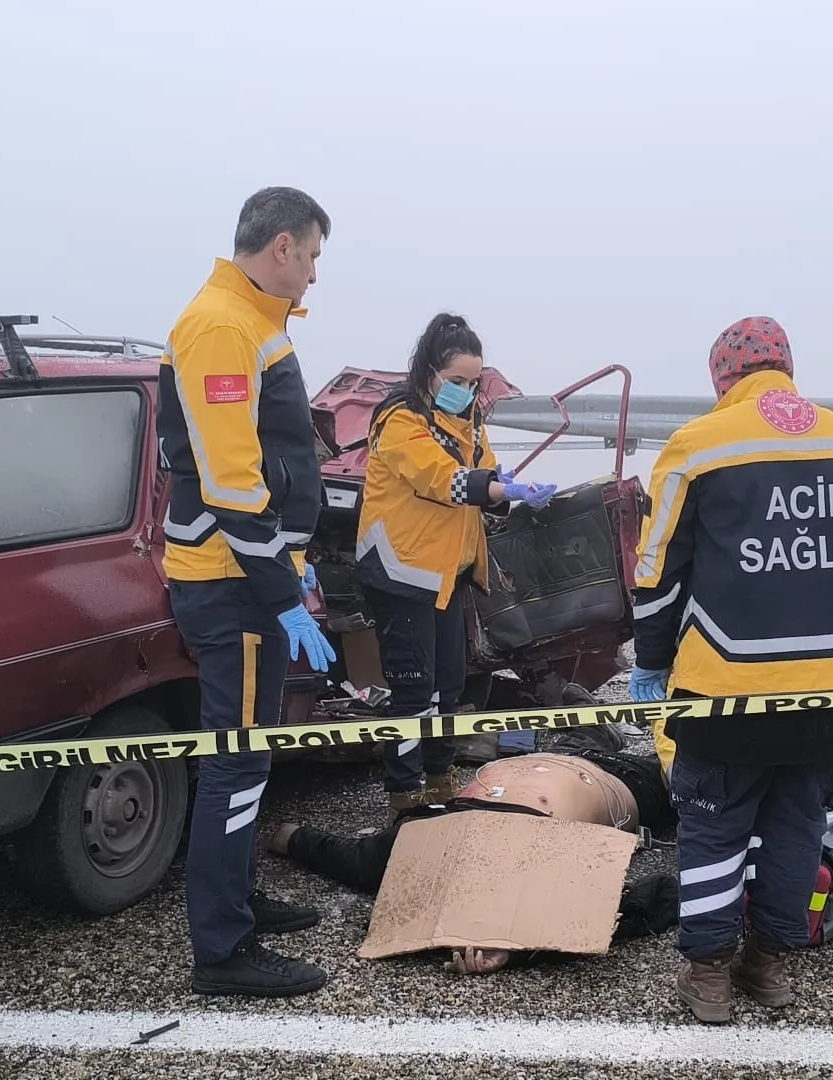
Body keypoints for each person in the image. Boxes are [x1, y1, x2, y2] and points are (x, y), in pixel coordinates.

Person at [627, 315, 833, 1024]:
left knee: (713, 832)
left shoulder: (697, 446)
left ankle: (710, 976)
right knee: (797, 830)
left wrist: (651, 660)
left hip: (728, 690)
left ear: (721, 377)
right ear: (787, 367)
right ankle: (768, 967)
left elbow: (655, 571)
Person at [159, 186, 341, 999]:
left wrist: (289, 572)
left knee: (251, 754)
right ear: (282, 249)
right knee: (234, 761)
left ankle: (238, 898)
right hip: (231, 587)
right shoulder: (222, 326)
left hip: (253, 580)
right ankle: (221, 952)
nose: (311, 277)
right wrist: (281, 595)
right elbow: (233, 483)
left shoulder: (254, 322)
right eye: (311, 258)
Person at [353, 313, 557, 816]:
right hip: (401, 572)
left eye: (473, 382)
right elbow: (441, 479)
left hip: (448, 575)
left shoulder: (467, 425)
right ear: (428, 371)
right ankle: (406, 792)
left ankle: (441, 779)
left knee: (449, 684)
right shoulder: (399, 420)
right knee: (412, 689)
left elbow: (482, 478)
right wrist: (497, 486)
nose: (465, 391)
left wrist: (510, 492)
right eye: (456, 381)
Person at [265, 748, 678, 973]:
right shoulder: (414, 846)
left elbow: (645, 901)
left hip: (603, 775)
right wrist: (516, 950)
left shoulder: (410, 849)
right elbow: (645, 901)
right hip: (600, 777)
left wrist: (517, 948)